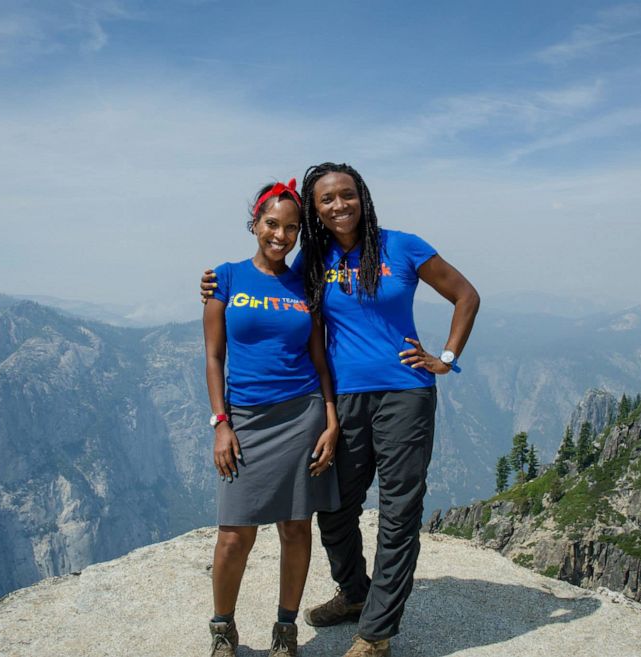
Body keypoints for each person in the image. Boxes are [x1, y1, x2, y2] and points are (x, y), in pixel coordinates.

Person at [203, 162, 479, 657]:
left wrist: (446, 358)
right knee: (333, 508)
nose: (338, 206)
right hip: (343, 398)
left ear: (362, 197)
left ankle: (376, 633)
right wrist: (215, 286)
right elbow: (267, 288)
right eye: (326, 199)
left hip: (404, 395)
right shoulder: (314, 258)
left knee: (398, 513)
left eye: (346, 195)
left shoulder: (404, 246)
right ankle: (354, 594)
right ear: (314, 209)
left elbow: (465, 294)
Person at [203, 178, 341, 657]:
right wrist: (221, 423)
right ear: (254, 224)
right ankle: (223, 629)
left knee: (295, 527)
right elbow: (214, 357)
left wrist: (330, 418)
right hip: (243, 420)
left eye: (290, 228)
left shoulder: (307, 284)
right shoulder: (226, 277)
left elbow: (320, 358)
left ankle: (286, 630)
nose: (280, 236)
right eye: (271, 225)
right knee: (233, 534)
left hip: (301, 415)